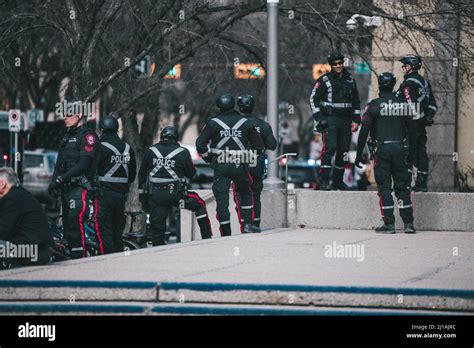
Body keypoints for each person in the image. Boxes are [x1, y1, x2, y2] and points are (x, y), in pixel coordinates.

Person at [355, 72, 417, 234]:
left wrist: (358, 153)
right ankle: (408, 224)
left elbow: (364, 131)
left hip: (381, 151)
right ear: (393, 85)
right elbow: (413, 131)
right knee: (402, 187)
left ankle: (389, 224)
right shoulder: (403, 105)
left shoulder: (374, 105)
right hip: (400, 150)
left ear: (380, 85)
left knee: (384, 188)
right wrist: (413, 153)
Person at [196, 94, 264, 236]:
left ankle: (225, 232)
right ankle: (248, 225)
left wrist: (209, 159)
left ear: (219, 106)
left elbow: (200, 145)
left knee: (222, 199)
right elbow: (259, 146)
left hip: (221, 165)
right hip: (240, 165)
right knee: (245, 193)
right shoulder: (245, 122)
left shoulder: (212, 123)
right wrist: (249, 158)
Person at [138, 126, 212, 245]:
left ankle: (158, 251)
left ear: (162, 137)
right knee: (199, 204)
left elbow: (142, 175)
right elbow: (191, 173)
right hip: (176, 196)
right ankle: (207, 239)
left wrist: (143, 197)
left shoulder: (151, 151)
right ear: (176, 138)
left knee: (157, 232)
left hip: (156, 196)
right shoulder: (182, 152)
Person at [48, 101, 102, 259]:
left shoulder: (88, 136)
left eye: (69, 114)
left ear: (79, 116)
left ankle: (80, 258)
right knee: (66, 223)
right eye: (64, 114)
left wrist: (62, 179)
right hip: (66, 189)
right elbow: (60, 164)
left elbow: (83, 164)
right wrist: (54, 182)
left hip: (80, 187)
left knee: (74, 220)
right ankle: (70, 256)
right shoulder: (66, 137)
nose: (65, 117)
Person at [310, 51, 361, 190]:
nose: (338, 66)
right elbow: (313, 99)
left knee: (344, 151)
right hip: (329, 119)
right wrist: (319, 118)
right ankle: (324, 181)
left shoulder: (350, 80)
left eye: (340, 63)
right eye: (335, 64)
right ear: (331, 65)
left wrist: (356, 120)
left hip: (346, 121)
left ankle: (338, 181)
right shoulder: (324, 80)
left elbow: (356, 102)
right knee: (330, 149)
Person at [235, 94, 277, 231]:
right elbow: (272, 145)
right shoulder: (263, 125)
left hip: (238, 164)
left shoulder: (234, 125)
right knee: (255, 195)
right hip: (256, 164)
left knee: (240, 195)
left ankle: (244, 224)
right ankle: (255, 224)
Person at [396, 54, 437, 192]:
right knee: (421, 152)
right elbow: (432, 104)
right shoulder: (425, 82)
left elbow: (410, 104)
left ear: (410, 67)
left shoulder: (408, 83)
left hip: (410, 125)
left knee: (407, 153)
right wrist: (427, 117)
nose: (403, 69)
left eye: (404, 66)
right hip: (421, 126)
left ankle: (405, 184)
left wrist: (415, 118)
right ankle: (421, 184)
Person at [96, 116, 136, 253]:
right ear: (116, 129)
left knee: (104, 229)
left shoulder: (100, 147)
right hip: (121, 196)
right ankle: (118, 256)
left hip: (103, 195)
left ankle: (107, 257)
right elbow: (132, 174)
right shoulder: (127, 148)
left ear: (101, 129)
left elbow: (91, 169)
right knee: (117, 230)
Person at [0, 167, 52, 267]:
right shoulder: (20, 194)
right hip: (38, 250)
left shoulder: (12, 199)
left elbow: (3, 230)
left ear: (2, 184)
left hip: (32, 252)